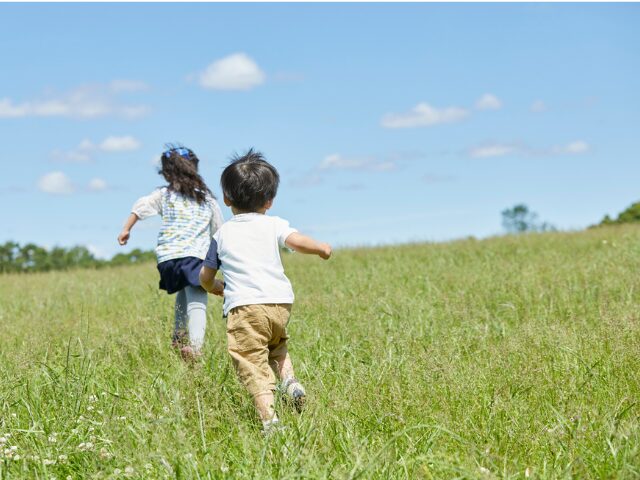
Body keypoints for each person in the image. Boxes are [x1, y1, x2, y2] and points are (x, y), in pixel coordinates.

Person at [199, 149, 331, 433]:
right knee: (276, 346)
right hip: (280, 305)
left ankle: (270, 423)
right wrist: (320, 248)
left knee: (251, 362)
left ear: (226, 199)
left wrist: (214, 287)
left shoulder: (222, 235)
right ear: (269, 201)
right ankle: (289, 381)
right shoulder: (274, 224)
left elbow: (205, 276)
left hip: (245, 307)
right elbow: (296, 241)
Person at [118, 145, 224, 361]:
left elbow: (141, 206)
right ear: (194, 169)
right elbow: (220, 230)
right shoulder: (206, 199)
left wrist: (126, 229)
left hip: (168, 258)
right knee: (197, 298)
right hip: (194, 254)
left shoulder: (164, 195)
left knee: (184, 291)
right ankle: (195, 348)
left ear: (166, 173)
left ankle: (178, 336)